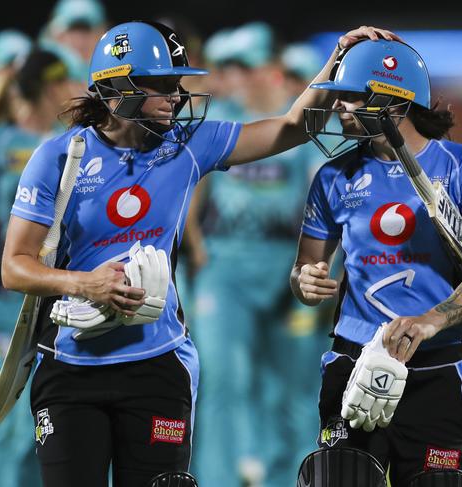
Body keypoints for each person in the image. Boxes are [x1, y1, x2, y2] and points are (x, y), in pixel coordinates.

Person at [3, 21, 397, 487]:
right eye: (164, 85)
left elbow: (292, 127)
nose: (176, 96)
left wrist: (336, 58)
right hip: (70, 369)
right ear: (118, 88)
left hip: (158, 364)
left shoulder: (188, 145)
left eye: (178, 84)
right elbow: (15, 266)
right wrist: (84, 283)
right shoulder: (57, 157)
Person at [290, 39, 462, 486]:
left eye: (350, 96)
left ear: (393, 101)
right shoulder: (333, 176)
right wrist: (305, 282)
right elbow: (304, 270)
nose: (339, 107)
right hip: (352, 364)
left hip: (436, 367)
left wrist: (428, 321)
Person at [188, 24, 328, 487]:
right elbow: (191, 192)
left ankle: (291, 480)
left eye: (244, 67)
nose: (236, 77)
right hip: (225, 274)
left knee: (294, 391)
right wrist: (197, 249)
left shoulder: (301, 132)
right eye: (230, 68)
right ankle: (217, 480)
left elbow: (322, 202)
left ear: (270, 69)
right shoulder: (221, 123)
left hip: (287, 276)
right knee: (223, 382)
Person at [0, 48, 79, 487]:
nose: (72, 90)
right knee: (4, 432)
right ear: (49, 87)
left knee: (41, 432)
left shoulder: (74, 145)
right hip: (4, 309)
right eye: (65, 81)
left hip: (54, 310)